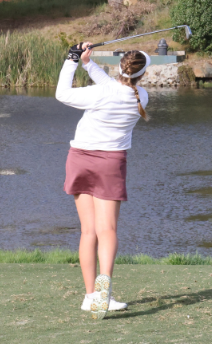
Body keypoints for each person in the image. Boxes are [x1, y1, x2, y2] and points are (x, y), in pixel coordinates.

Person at [56, 42, 150, 320]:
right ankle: (103, 295)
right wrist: (88, 65)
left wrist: (73, 60)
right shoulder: (141, 96)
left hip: (80, 159)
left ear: (120, 66)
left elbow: (63, 93)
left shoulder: (101, 93)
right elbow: (116, 86)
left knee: (89, 231)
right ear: (142, 75)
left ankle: (90, 297)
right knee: (106, 230)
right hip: (110, 164)